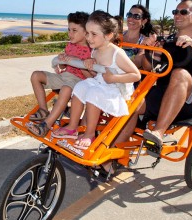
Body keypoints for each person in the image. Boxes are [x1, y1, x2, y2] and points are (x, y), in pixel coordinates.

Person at [51, 10, 141, 150]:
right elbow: (96, 73)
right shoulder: (95, 50)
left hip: (116, 89)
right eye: (87, 33)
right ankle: (73, 126)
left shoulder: (117, 53)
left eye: (94, 34)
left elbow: (136, 75)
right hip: (101, 82)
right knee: (80, 86)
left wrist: (114, 77)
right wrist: (90, 64)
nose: (89, 38)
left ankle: (89, 133)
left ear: (108, 36)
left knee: (93, 92)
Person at [139, 0, 192, 149]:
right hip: (164, 95)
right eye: (175, 12)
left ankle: (158, 133)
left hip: (191, 102)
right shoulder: (168, 40)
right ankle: (108, 157)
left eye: (183, 12)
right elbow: (149, 69)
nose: (177, 15)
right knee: (130, 101)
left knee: (180, 74)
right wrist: (152, 51)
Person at [27, 11, 92, 137]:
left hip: (79, 81)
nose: (70, 34)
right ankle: (43, 110)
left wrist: (78, 61)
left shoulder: (91, 50)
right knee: (36, 75)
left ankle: (47, 124)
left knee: (66, 89)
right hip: (64, 76)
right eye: (69, 30)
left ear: (85, 32)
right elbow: (63, 66)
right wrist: (62, 60)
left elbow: (91, 76)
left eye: (74, 30)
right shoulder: (70, 46)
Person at [122, 4, 157, 69]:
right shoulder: (117, 36)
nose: (131, 19)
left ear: (144, 21)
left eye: (136, 16)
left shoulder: (144, 41)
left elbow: (137, 63)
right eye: (129, 15)